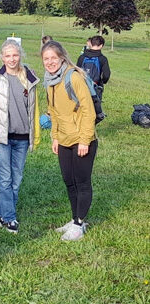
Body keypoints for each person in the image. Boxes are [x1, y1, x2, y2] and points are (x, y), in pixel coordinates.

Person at [42, 41, 97, 241]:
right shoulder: (50, 81)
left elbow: (88, 111)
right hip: (63, 139)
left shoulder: (73, 77)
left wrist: (85, 140)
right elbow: (54, 113)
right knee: (69, 181)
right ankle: (75, 218)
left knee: (82, 182)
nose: (50, 62)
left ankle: (79, 223)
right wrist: (55, 137)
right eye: (46, 59)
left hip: (81, 139)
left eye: (53, 58)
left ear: (62, 58)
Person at [0, 39, 40, 234]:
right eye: (7, 55)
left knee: (16, 179)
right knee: (5, 179)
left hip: (23, 137)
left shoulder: (29, 77)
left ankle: (2, 214)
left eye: (15, 55)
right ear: (1, 57)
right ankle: (10, 219)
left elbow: (33, 108)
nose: (11, 59)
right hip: (2, 137)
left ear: (20, 55)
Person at [76, 35, 110, 101]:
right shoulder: (103, 59)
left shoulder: (82, 57)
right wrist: (102, 82)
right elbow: (106, 75)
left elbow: (76, 72)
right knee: (95, 108)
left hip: (82, 86)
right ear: (101, 45)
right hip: (96, 87)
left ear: (90, 44)